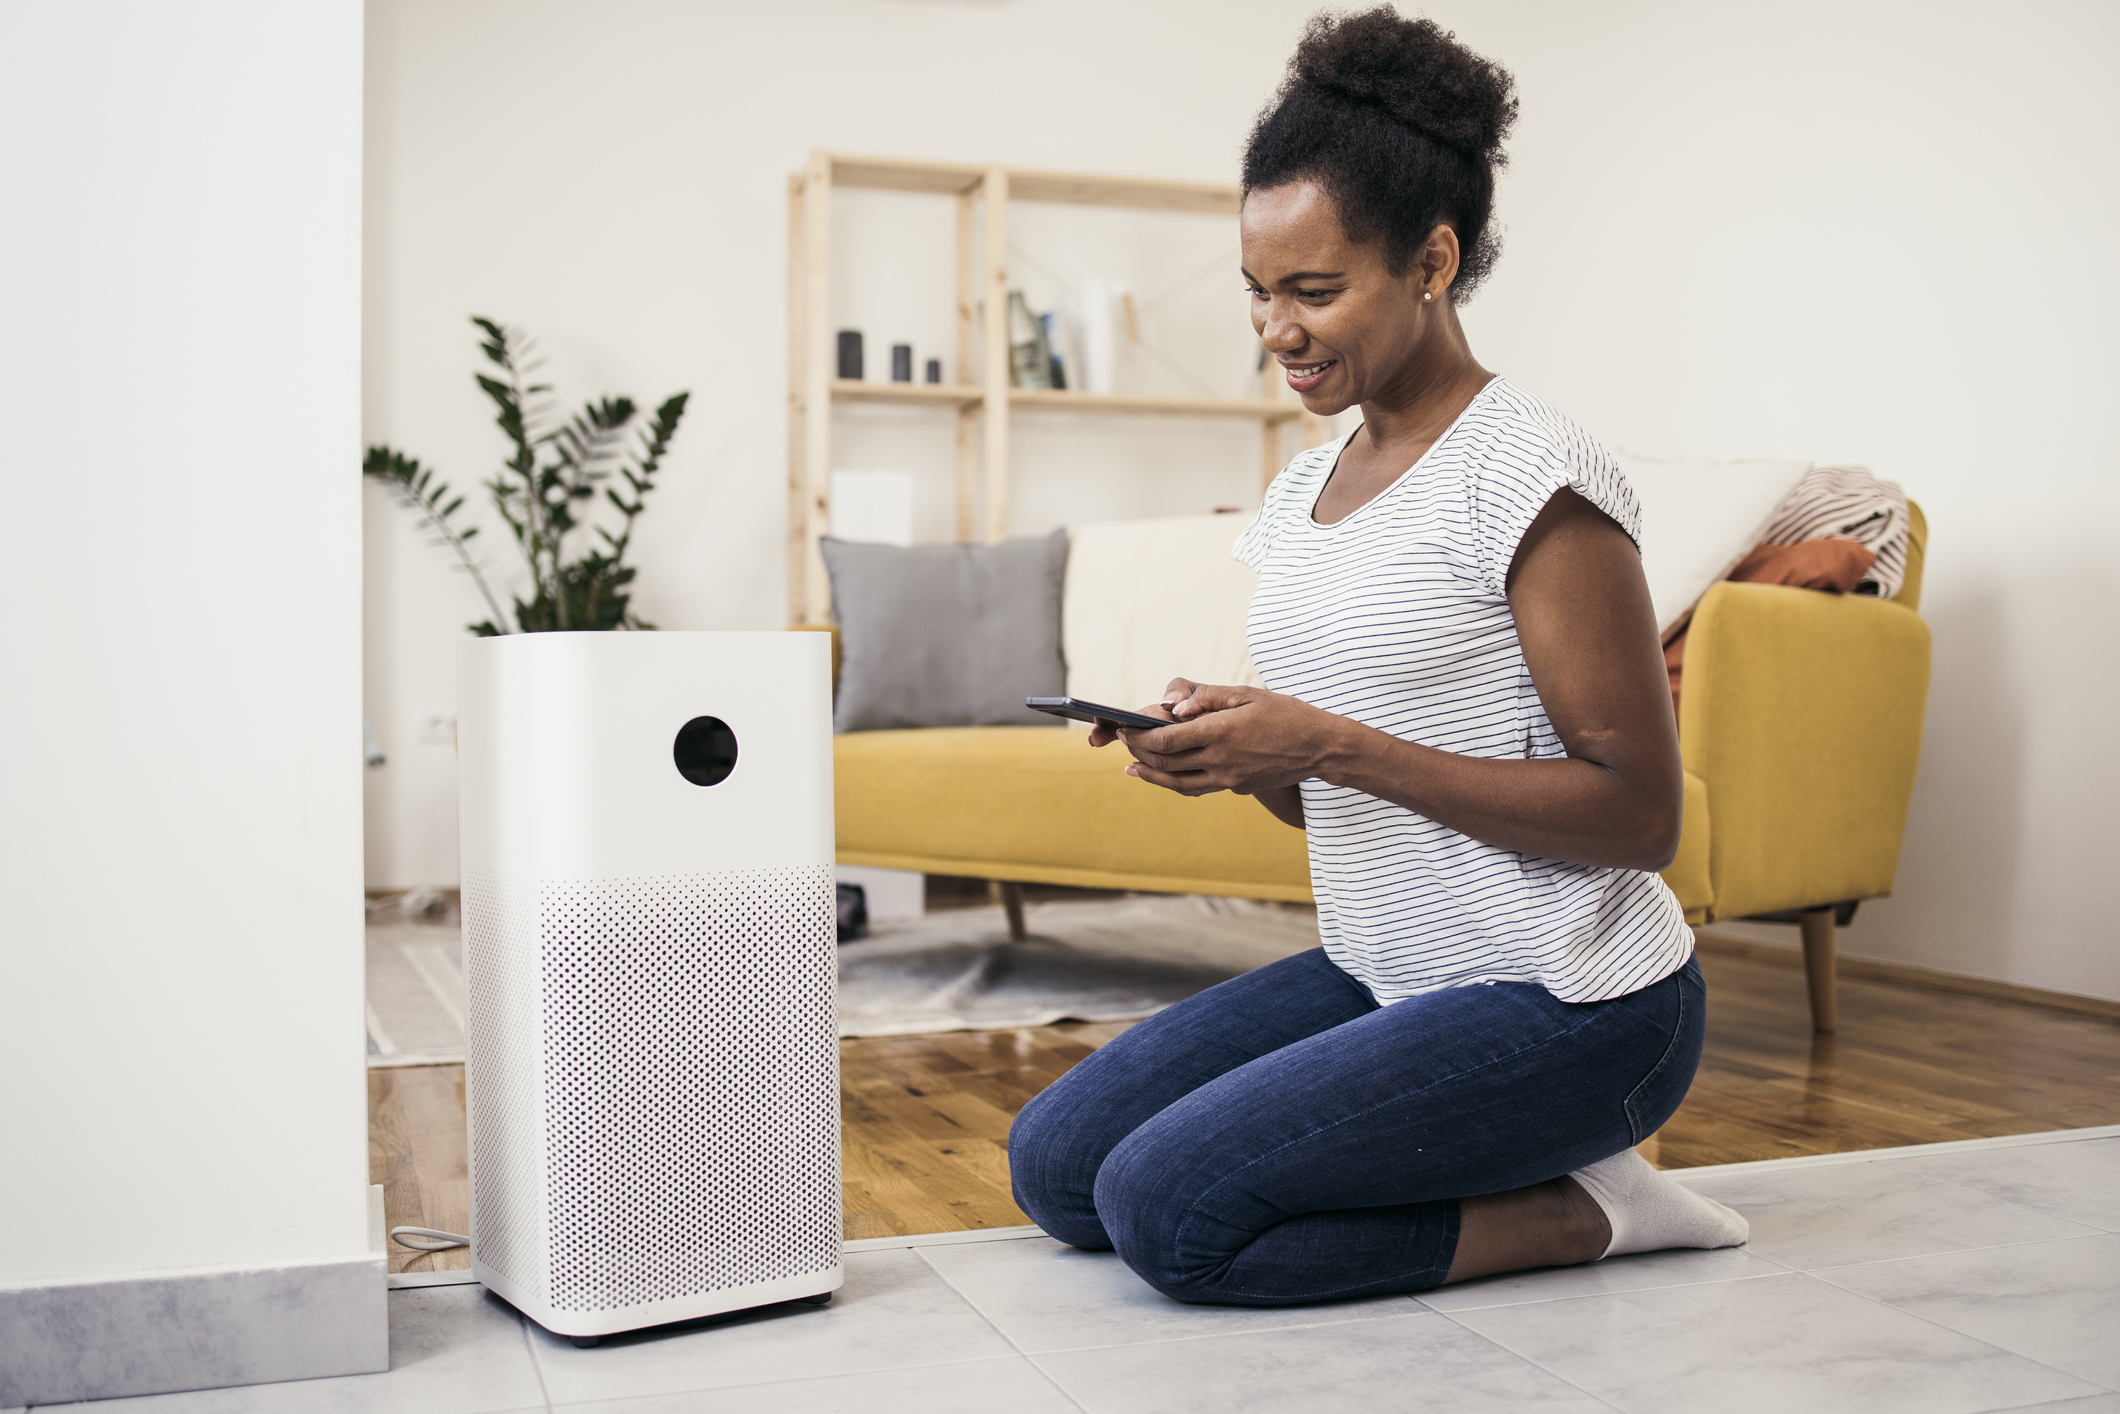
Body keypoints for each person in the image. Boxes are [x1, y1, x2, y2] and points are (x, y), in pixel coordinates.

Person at [1006, 7, 1748, 1306]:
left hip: (1576, 1001)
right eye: (1256, 288)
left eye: (1312, 288)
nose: (1274, 328)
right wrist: (1239, 752)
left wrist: (1325, 740)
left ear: (1431, 261)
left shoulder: (1536, 478)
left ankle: (1593, 1207)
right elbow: (1329, 786)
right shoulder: (1306, 490)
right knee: (1059, 1166)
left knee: (1169, 1213)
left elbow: (1640, 817)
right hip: (1390, 970)